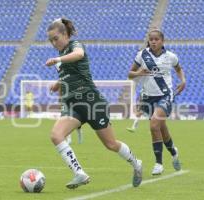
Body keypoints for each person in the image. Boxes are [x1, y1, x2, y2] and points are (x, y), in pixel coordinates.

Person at [45, 18, 142, 189]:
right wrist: (58, 83)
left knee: (111, 144)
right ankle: (79, 173)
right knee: (56, 135)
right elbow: (70, 74)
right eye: (50, 40)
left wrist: (56, 60)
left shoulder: (75, 45)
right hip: (75, 107)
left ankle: (136, 163)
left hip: (92, 103)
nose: (53, 43)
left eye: (56, 38)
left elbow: (79, 55)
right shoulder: (61, 56)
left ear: (66, 35)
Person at [128, 29, 186, 175]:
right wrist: (138, 73)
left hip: (165, 95)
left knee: (154, 124)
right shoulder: (142, 55)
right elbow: (130, 74)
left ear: (162, 41)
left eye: (156, 39)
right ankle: (173, 152)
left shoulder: (170, 56)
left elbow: (179, 68)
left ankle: (158, 163)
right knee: (161, 128)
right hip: (148, 97)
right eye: (151, 39)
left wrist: (183, 81)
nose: (153, 41)